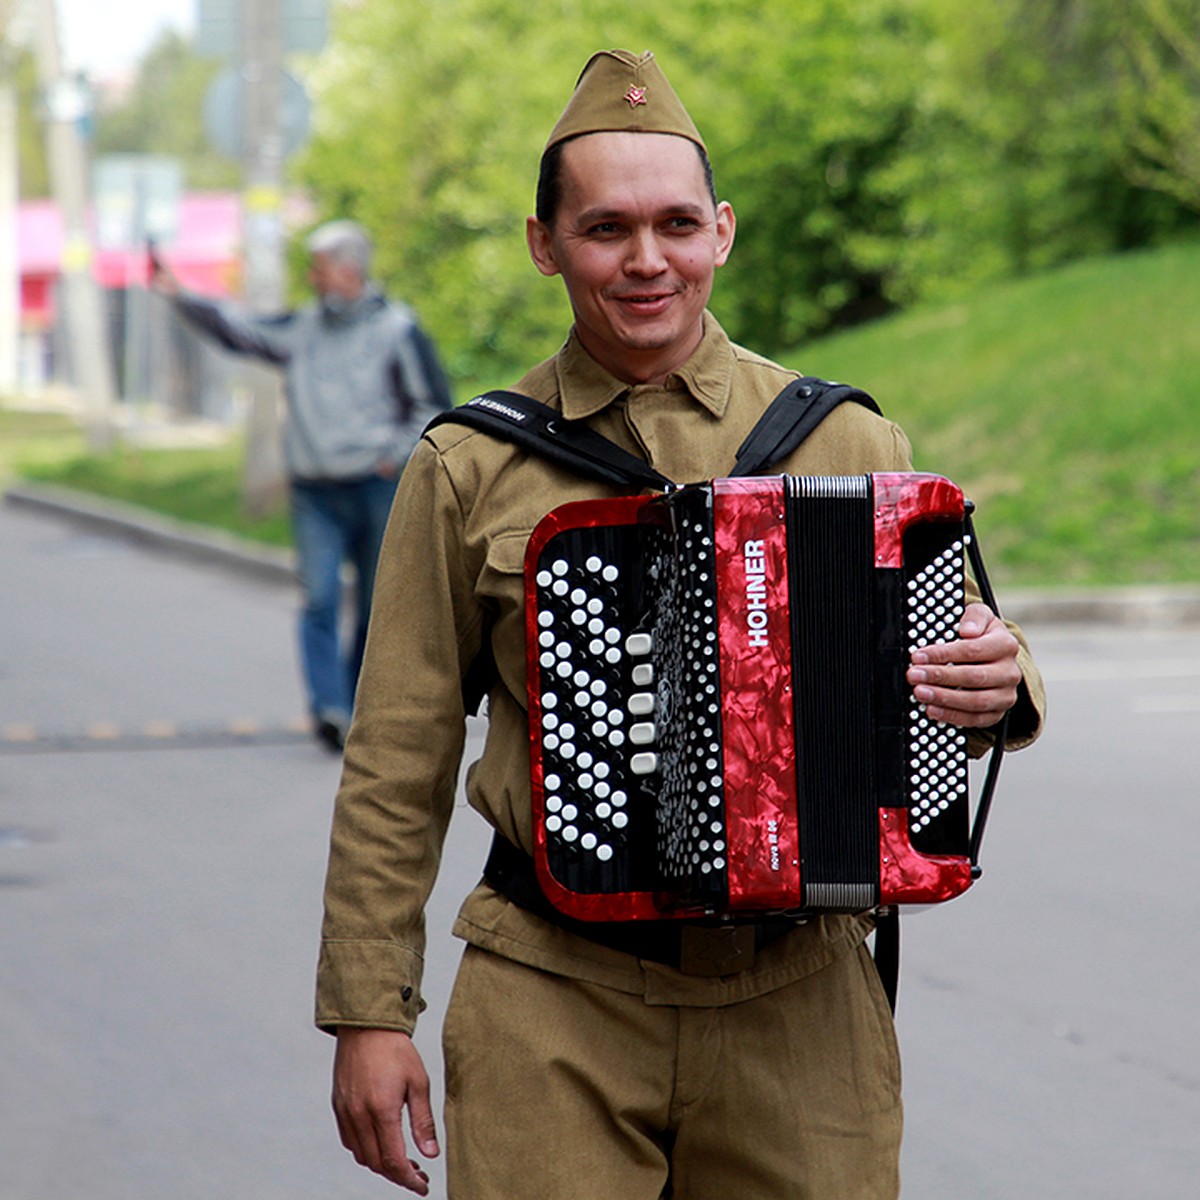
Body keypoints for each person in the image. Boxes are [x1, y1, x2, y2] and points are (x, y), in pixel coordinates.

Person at [316, 50, 1046, 1198]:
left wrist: (1003, 686)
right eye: (606, 229)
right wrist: (367, 1009)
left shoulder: (849, 443)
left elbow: (968, 660)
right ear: (544, 244)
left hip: (800, 1001)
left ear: (723, 232)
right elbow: (395, 755)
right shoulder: (470, 467)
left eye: (675, 225)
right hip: (551, 989)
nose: (647, 260)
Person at [153, 221, 453, 751]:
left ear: (348, 272)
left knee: (373, 602)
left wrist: (392, 458)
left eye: (319, 270)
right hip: (315, 491)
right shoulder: (304, 328)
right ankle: (329, 708)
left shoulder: (398, 330)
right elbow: (239, 329)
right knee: (317, 598)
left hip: (374, 485)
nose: (312, 280)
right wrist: (179, 295)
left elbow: (432, 407)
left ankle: (362, 706)